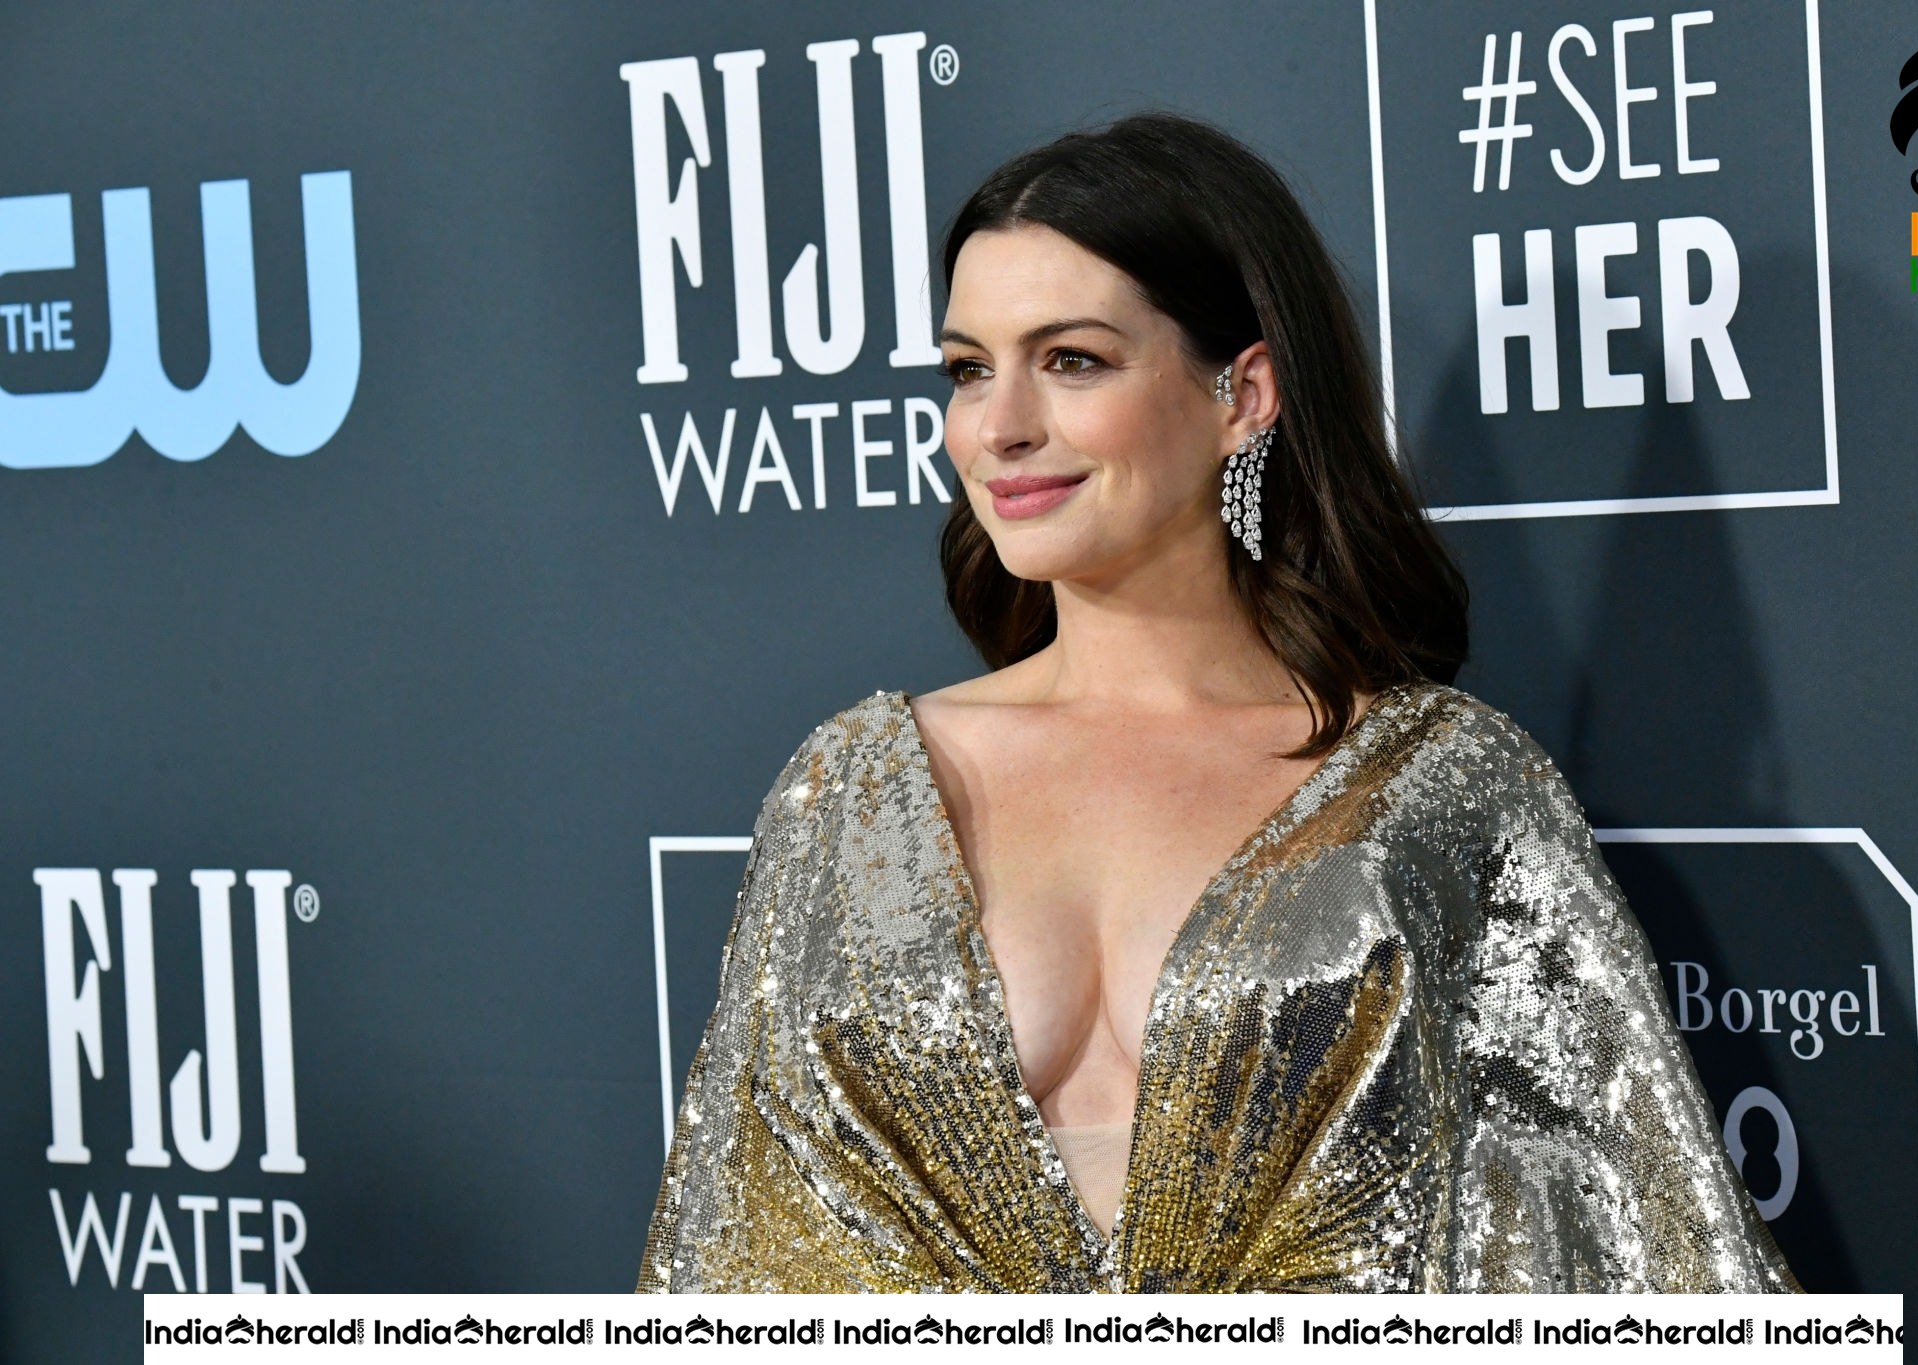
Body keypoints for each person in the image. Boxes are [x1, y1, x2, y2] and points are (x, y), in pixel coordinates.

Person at [636, 111, 1801, 1294]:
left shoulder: (1442, 790)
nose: (999, 427)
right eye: (966, 369)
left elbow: (1643, 1252)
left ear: (1243, 392)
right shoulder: (853, 791)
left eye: (1072, 360)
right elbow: (731, 1261)